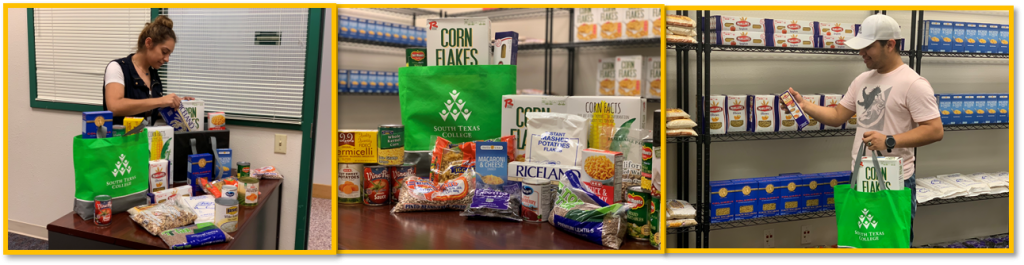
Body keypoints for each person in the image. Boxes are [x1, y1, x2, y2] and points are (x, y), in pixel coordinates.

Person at [788, 14, 944, 247]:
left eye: (867, 47)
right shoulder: (861, 80)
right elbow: (837, 116)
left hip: (896, 181)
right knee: (860, 242)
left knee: (893, 242)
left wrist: (889, 141)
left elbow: (934, 130)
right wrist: (804, 105)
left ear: (890, 44)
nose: (861, 53)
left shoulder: (914, 83)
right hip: (861, 175)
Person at [103, 15, 193, 126]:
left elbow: (148, 110)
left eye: (169, 54)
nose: (167, 59)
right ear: (149, 43)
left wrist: (176, 103)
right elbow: (114, 107)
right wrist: (161, 101)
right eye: (164, 52)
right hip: (120, 141)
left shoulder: (154, 76)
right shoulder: (117, 68)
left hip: (146, 141)